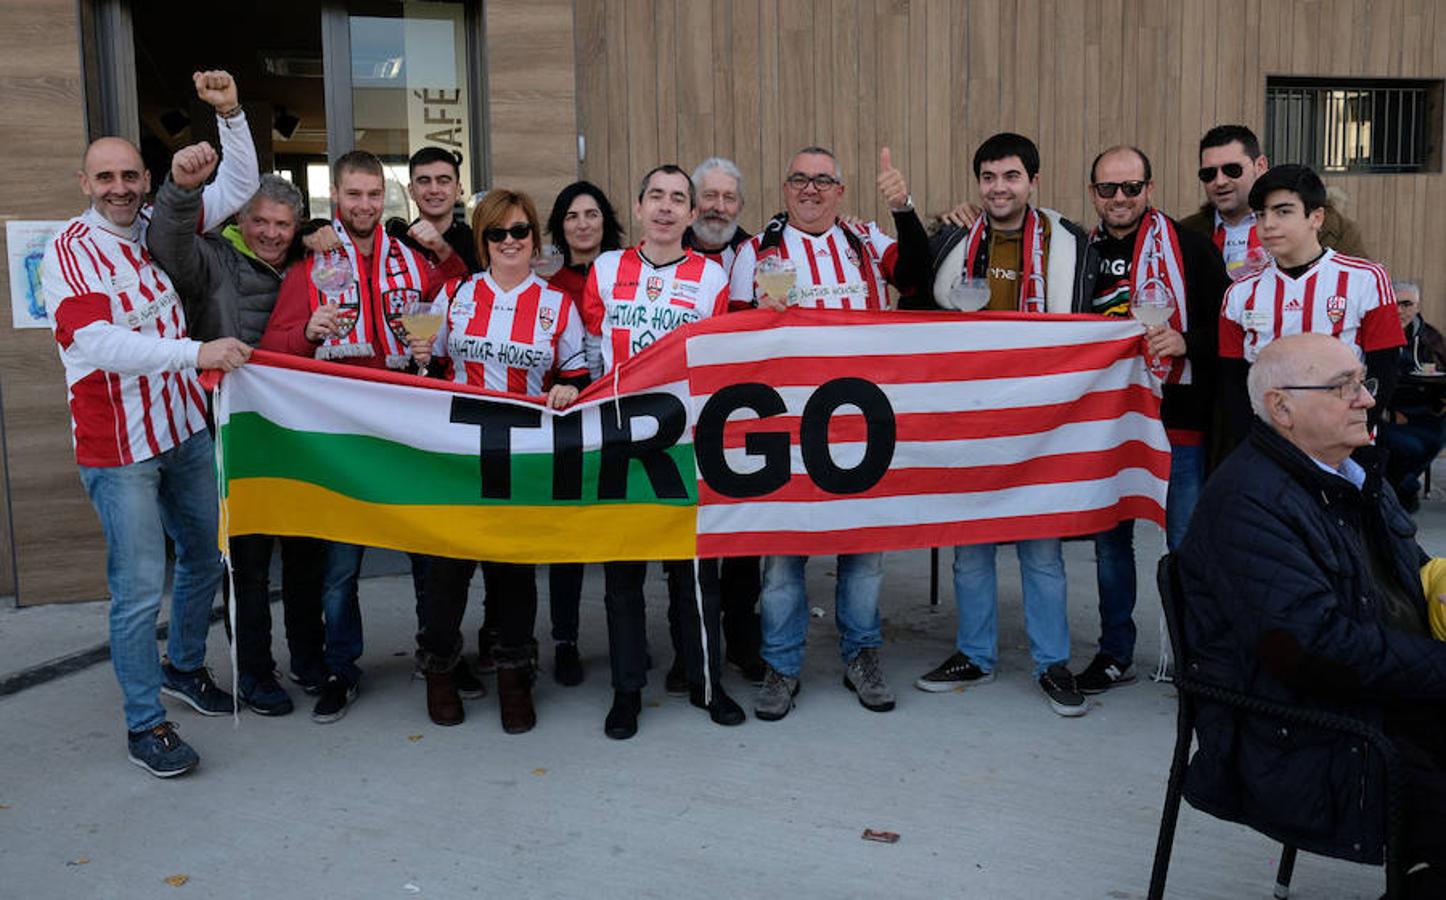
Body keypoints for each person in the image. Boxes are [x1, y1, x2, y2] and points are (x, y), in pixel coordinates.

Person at [1177, 332, 1446, 898]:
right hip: (1294, 730)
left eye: (1362, 382)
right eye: (1342, 387)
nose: (1367, 399)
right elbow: (1310, 649)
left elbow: (1410, 585)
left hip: (1376, 696)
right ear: (1283, 408)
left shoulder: (1351, 474)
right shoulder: (1249, 501)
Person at [42, 127, 255, 776]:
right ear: (85, 184)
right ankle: (145, 723)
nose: (119, 189)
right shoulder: (70, 251)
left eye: (130, 176)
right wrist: (197, 353)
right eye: (105, 178)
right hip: (119, 450)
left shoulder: (160, 224)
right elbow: (100, 344)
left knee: (201, 558)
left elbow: (241, 187)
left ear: (146, 180)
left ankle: (183, 668)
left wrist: (234, 115)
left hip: (184, 430)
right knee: (136, 590)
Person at [259, 149, 467, 723]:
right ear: (336, 201)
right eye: (353, 195)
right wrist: (305, 330)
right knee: (339, 567)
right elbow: (274, 346)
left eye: (373, 195)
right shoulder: (312, 264)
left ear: (386, 199)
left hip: (406, 424)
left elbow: (464, 298)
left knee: (428, 553)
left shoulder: (415, 259)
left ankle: (438, 656)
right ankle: (340, 668)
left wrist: (435, 350)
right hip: (344, 433)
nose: (364, 205)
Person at [729, 145, 929, 721]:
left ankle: (861, 654)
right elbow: (734, 343)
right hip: (784, 422)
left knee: (863, 552)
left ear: (841, 191)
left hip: (860, 418)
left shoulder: (865, 239)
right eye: (799, 179)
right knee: (784, 556)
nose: (810, 189)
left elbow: (915, 277)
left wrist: (904, 208)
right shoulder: (754, 253)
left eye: (823, 180)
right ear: (785, 188)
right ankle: (782, 665)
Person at [905, 133, 1095, 718]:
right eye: (988, 177)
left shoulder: (1070, 242)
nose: (998, 188)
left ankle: (1051, 663)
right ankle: (975, 654)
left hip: (1044, 417)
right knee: (970, 549)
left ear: (1033, 181)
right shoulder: (956, 236)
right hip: (969, 416)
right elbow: (913, 295)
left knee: (1041, 551)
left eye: (1010, 176)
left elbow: (1094, 324)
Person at [148, 145, 325, 716]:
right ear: (239, 221)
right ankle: (254, 673)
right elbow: (166, 241)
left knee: (303, 557)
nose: (272, 233)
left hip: (297, 438)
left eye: (283, 224)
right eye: (261, 221)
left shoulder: (310, 265)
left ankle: (310, 659)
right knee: (246, 566)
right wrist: (179, 188)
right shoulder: (210, 259)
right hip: (232, 439)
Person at [406, 188, 588, 732]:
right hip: (457, 457)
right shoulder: (456, 294)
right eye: (497, 233)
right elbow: (433, 368)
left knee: (512, 578)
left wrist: (567, 391)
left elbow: (576, 375)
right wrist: (420, 360)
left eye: (520, 232)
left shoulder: (557, 303)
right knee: (445, 577)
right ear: (482, 242)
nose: (511, 242)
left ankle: (513, 675)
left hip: (520, 457)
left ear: (534, 238)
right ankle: (439, 671)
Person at [580, 163, 742, 739]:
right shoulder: (604, 269)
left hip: (684, 441)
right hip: (619, 437)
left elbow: (719, 361)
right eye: (657, 196)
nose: (667, 207)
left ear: (693, 214)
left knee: (694, 577)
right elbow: (591, 354)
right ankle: (627, 692)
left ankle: (705, 682)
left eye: (679, 199)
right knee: (622, 577)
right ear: (641, 206)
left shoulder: (711, 277)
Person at [1074, 146, 1230, 693]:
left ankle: (1195, 657)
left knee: (1183, 545)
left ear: (1150, 188)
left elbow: (1231, 331)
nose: (1120, 198)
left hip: (1176, 421)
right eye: (1108, 189)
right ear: (1093, 193)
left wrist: (1186, 341)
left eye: (1131, 187)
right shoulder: (1073, 252)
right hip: (1105, 424)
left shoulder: (1190, 249)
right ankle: (1115, 652)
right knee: (1109, 543)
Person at [1218, 164, 1404, 446]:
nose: (1268, 224)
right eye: (1260, 214)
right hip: (1270, 447)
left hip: (1347, 444)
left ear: (1316, 217)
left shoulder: (1366, 278)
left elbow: (1385, 369)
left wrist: (1356, 430)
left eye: (1283, 212)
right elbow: (1231, 380)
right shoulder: (1238, 294)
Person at [681, 156, 766, 685]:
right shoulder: (670, 248)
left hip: (744, 415)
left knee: (741, 540)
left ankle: (742, 642)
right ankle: (689, 649)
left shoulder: (761, 253)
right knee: (688, 545)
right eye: (708, 196)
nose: (718, 207)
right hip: (680, 416)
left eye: (728, 198)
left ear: (740, 205)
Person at [540, 180, 626, 687]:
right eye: (572, 216)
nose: (583, 224)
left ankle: (627, 639)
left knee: (622, 535)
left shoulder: (632, 274)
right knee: (568, 541)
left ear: (606, 220)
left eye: (592, 214)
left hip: (623, 421)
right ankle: (565, 640)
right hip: (569, 424)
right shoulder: (550, 288)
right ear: (560, 226)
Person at [1179, 124, 1367, 277]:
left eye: (1232, 170)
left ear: (1260, 165)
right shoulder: (1183, 234)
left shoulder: (1334, 229)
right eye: (1208, 174)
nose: (1219, 181)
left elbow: (1358, 295)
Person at [1379, 280, 1446, 512]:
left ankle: (1402, 485)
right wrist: (1386, 413)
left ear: (1417, 307)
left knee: (1438, 434)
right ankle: (1403, 488)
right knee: (1408, 446)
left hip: (1423, 406)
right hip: (1387, 408)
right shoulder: (1376, 333)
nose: (1399, 310)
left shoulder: (1429, 336)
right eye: (1394, 304)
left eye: (1406, 304)